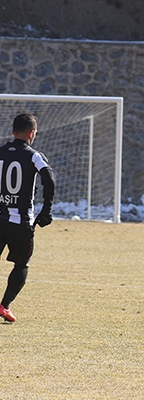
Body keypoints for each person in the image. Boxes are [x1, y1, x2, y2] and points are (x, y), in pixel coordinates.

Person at [0, 114, 55, 323]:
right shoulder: (34, 156)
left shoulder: (1, 152)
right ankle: (4, 306)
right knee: (22, 264)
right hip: (20, 223)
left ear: (13, 132)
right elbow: (48, 179)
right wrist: (46, 210)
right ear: (32, 133)